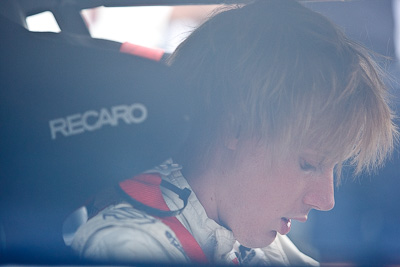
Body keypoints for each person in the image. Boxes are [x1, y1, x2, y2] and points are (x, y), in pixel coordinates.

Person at [69, 0, 397, 265]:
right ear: (236, 126)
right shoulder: (129, 249)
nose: (326, 200)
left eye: (333, 167)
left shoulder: (254, 245)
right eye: (308, 163)